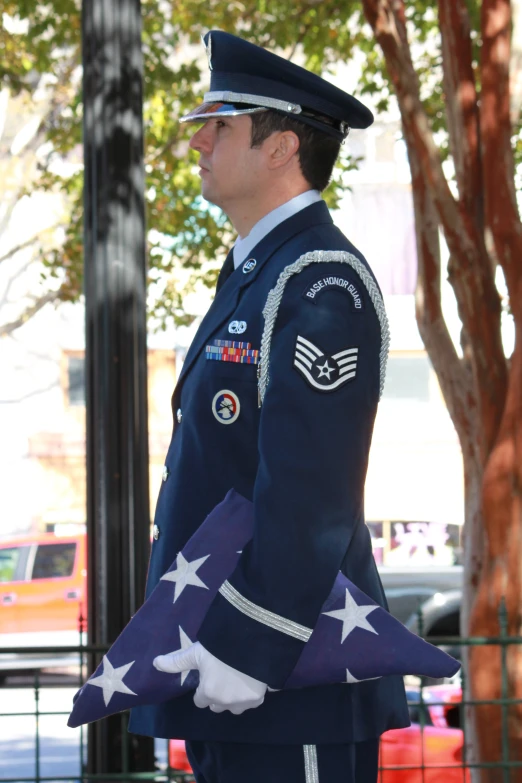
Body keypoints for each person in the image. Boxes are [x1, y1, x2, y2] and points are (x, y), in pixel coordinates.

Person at [129, 29, 409, 783]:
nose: (198, 144)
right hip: (230, 671)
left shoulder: (319, 281)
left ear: (281, 146)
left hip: (287, 677)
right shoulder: (261, 272)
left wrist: (248, 649)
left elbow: (310, 496)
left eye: (220, 126)